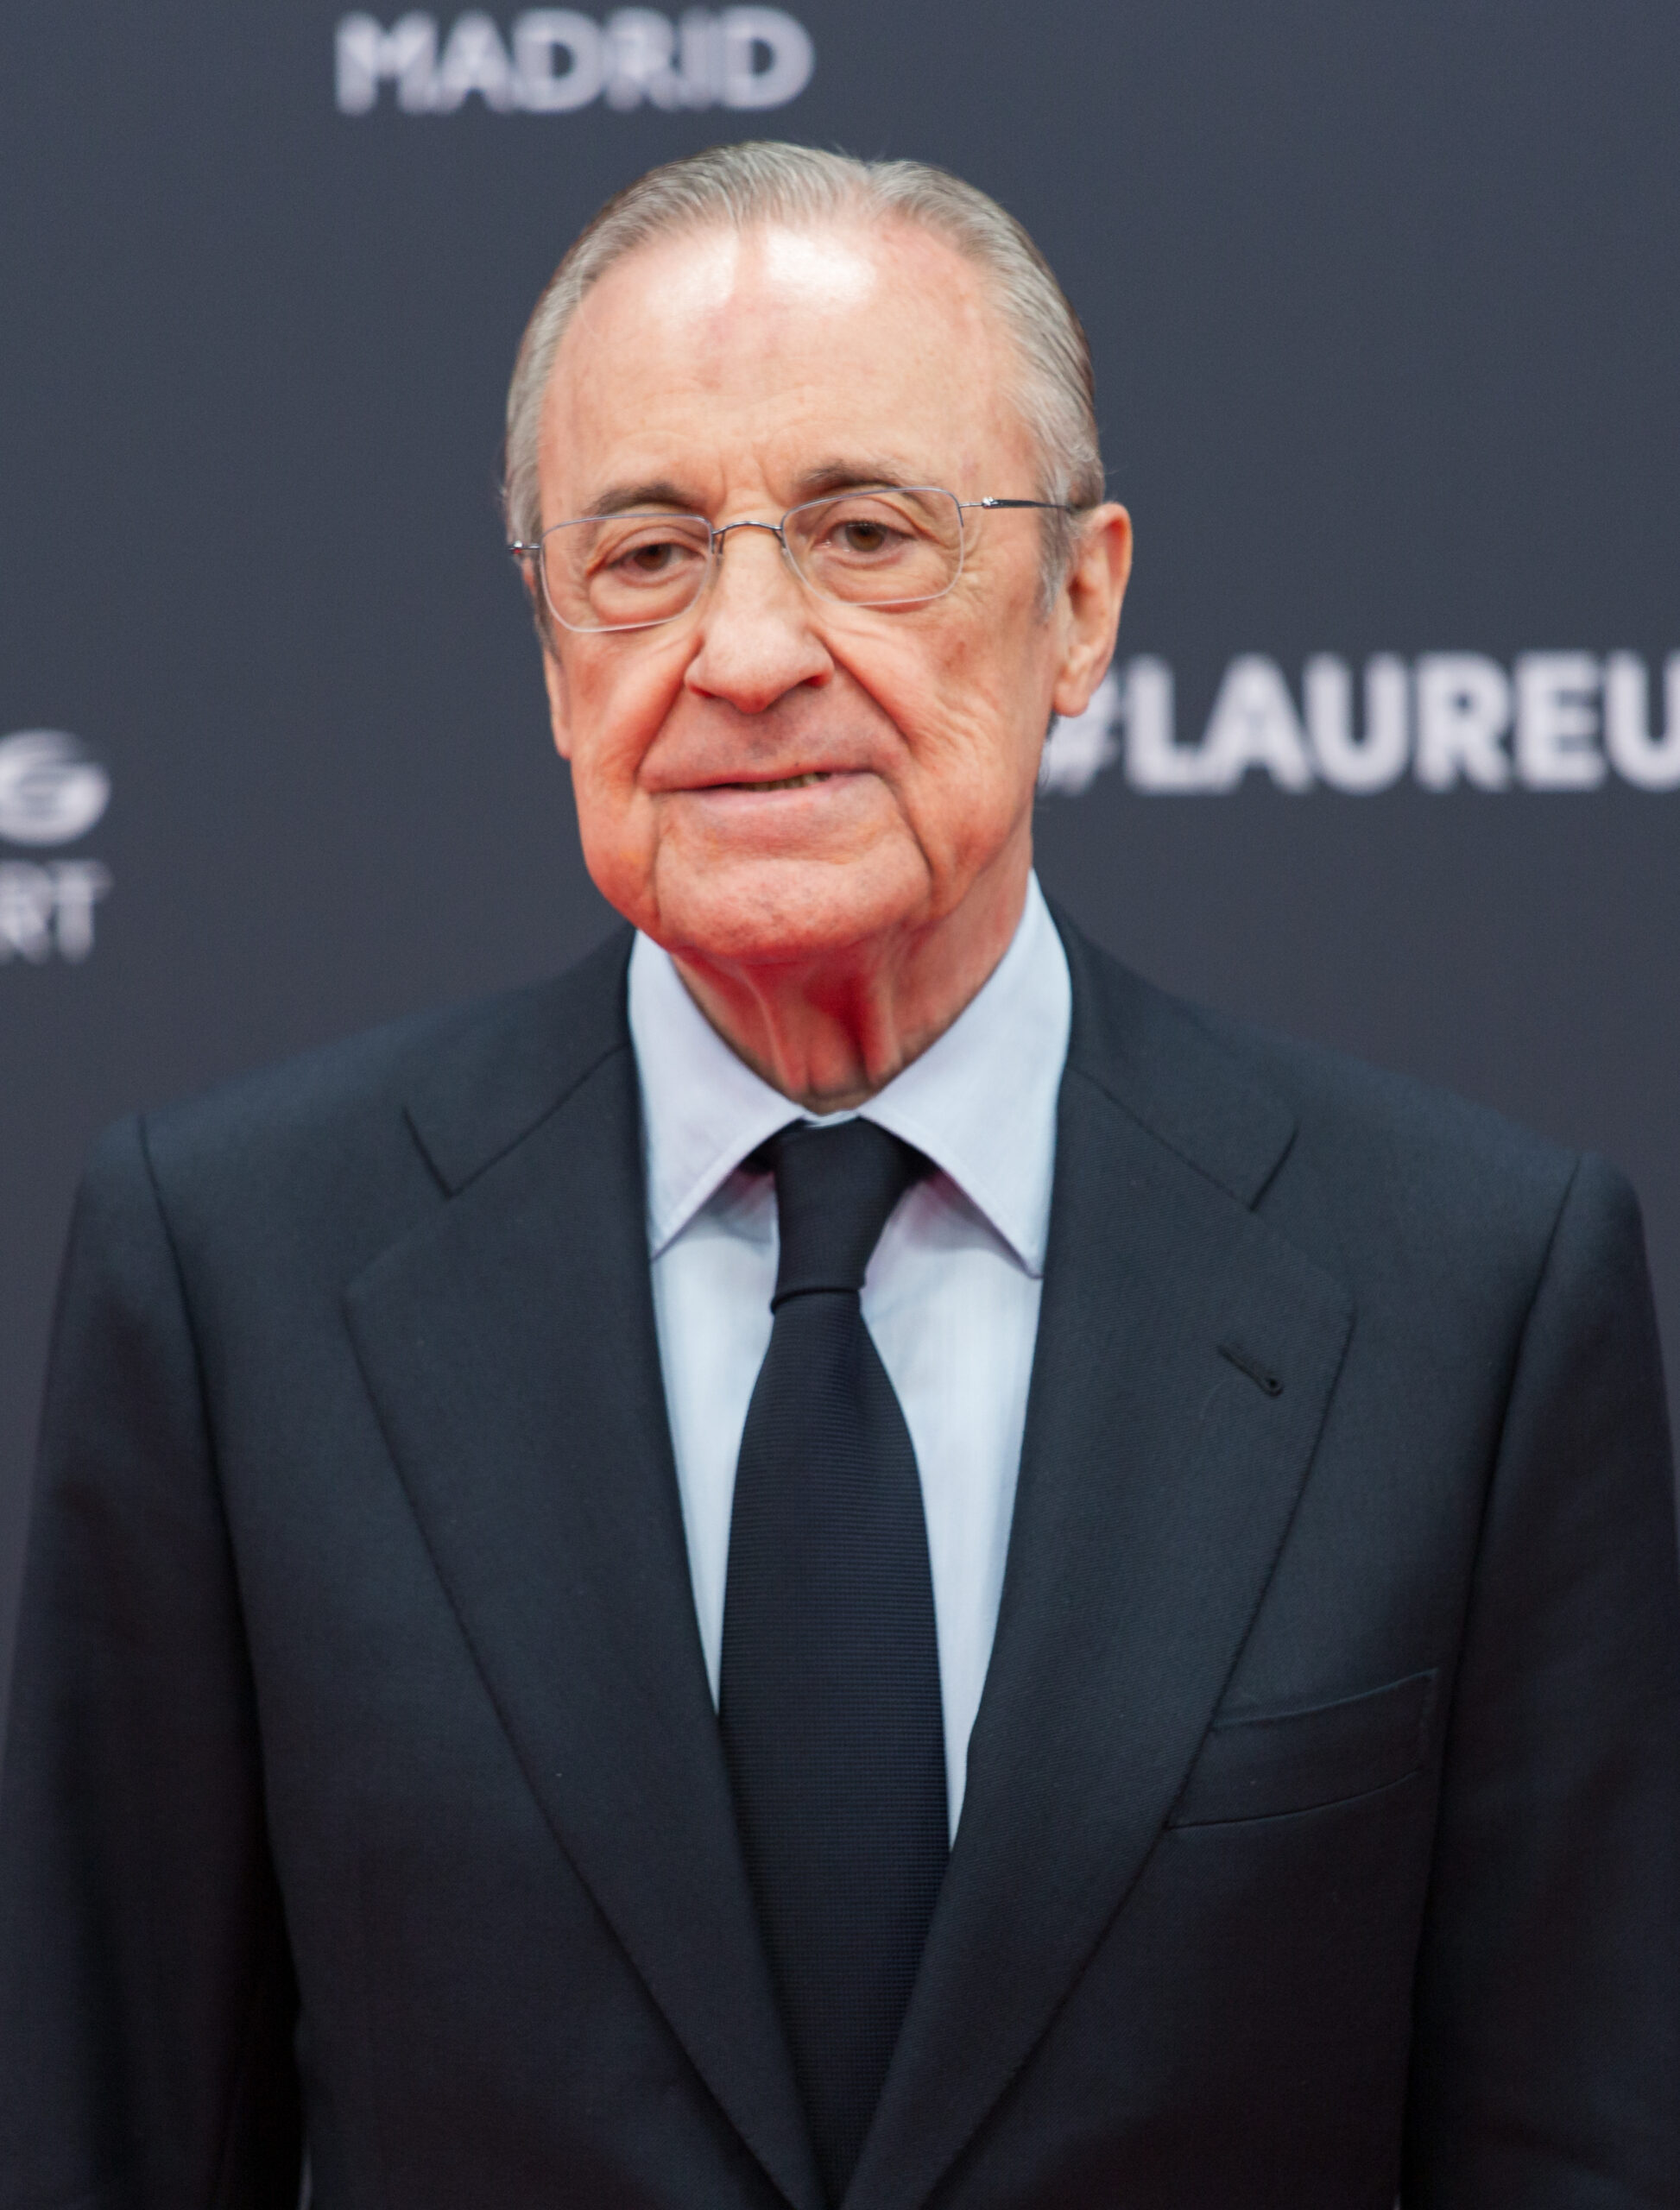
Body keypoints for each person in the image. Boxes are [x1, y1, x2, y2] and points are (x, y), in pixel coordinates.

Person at [2, 142, 1677, 2210]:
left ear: (1080, 603)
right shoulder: (234, 1277)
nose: (744, 648)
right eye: (641, 555)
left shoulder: (1469, 1296)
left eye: (865, 533)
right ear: (550, 655)